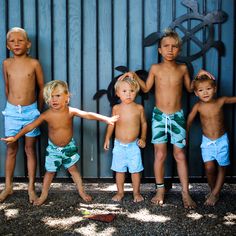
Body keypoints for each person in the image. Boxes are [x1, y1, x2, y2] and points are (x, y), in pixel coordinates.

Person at [1, 80, 119, 206]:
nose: (54, 99)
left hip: (69, 147)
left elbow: (88, 115)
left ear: (67, 97)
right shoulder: (47, 115)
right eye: (50, 97)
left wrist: (106, 119)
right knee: (50, 172)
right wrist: (15, 137)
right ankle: (43, 195)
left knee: (74, 170)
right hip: (53, 150)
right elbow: (30, 126)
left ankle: (81, 191)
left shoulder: (70, 111)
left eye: (57, 96)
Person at [121, 29, 196, 208]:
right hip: (159, 117)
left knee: (179, 154)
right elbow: (146, 89)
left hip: (177, 116)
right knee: (160, 154)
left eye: (174, 46)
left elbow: (190, 89)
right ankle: (160, 189)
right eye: (166, 46)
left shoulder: (183, 68)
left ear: (179, 50)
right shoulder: (155, 68)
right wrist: (134, 75)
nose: (170, 50)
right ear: (160, 50)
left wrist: (200, 74)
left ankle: (186, 192)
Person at [0, 27, 44, 203]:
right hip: (11, 111)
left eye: (20, 41)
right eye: (12, 41)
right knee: (11, 149)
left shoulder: (34, 63)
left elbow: (41, 88)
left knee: (29, 149)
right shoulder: (6, 63)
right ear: (8, 45)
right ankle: (8, 187)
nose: (16, 44)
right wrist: (12, 105)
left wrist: (37, 111)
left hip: (31, 111)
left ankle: (31, 188)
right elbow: (7, 87)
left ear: (28, 44)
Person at [187, 71, 236, 206]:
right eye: (201, 90)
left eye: (208, 89)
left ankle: (215, 194)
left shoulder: (221, 101)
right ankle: (213, 189)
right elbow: (189, 121)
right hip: (207, 142)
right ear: (196, 93)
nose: (205, 92)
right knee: (209, 168)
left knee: (222, 167)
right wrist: (184, 136)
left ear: (214, 89)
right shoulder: (198, 106)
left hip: (221, 140)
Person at [104, 77, 147, 202]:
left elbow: (144, 124)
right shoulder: (116, 108)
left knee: (135, 171)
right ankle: (120, 192)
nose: (128, 94)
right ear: (117, 93)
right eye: (124, 91)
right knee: (119, 170)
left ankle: (136, 193)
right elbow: (111, 123)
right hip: (119, 146)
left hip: (134, 146)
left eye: (132, 91)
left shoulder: (139, 108)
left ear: (136, 92)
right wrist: (107, 138)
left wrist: (143, 138)